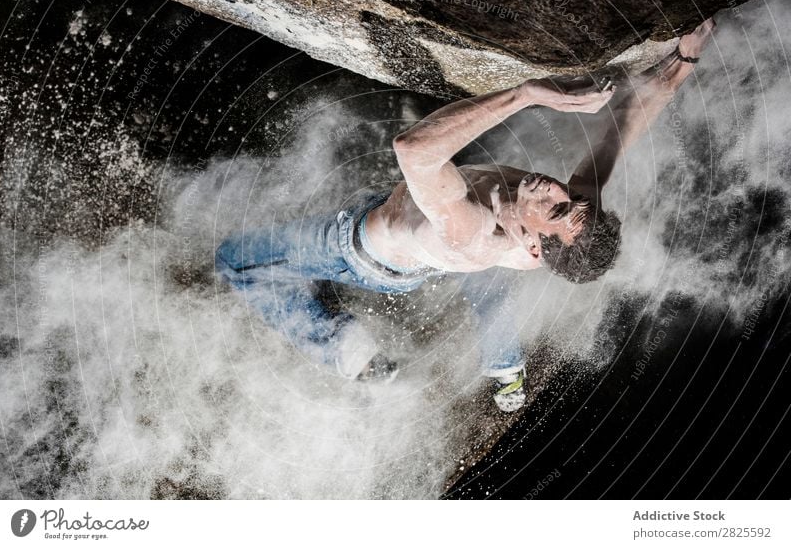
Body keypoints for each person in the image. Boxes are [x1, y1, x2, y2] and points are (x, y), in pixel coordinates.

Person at [215, 20, 714, 412]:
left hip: (358, 248)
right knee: (487, 281)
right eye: (575, 197)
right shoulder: (570, 211)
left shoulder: (475, 229)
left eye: (556, 208)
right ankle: (503, 364)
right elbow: (624, 125)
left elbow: (412, 149)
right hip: (420, 228)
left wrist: (529, 93)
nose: (557, 189)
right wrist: (686, 58)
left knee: (233, 262)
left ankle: (347, 350)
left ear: (537, 245)